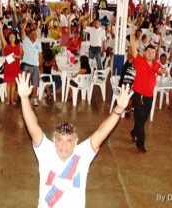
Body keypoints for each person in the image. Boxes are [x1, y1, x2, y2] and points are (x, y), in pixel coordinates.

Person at [16, 72, 132, 208]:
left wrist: (118, 109)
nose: (64, 145)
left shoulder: (82, 154)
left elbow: (101, 133)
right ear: (54, 140)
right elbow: (33, 127)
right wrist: (24, 98)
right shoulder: (46, 151)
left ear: (76, 142)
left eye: (69, 140)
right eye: (60, 140)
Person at [129, 29, 167, 153]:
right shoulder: (139, 61)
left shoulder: (156, 64)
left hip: (149, 97)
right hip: (138, 95)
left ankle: (134, 132)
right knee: (140, 120)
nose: (151, 53)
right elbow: (134, 48)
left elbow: (162, 71)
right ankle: (141, 144)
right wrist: (131, 35)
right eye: (149, 51)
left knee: (142, 119)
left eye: (153, 52)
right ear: (145, 52)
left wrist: (164, 72)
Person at [0, 20, 23, 105]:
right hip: (8, 67)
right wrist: (1, 29)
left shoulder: (19, 45)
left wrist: (16, 57)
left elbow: (21, 56)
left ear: (16, 37)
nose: (12, 38)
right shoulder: (6, 46)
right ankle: (8, 100)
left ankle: (12, 100)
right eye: (10, 37)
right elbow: (1, 37)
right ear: (8, 38)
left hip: (16, 67)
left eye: (13, 37)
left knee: (14, 84)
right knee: (8, 84)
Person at [20, 14, 43, 106]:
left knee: (35, 84)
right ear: (29, 34)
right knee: (25, 83)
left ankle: (34, 99)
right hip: (26, 65)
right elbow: (22, 29)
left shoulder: (38, 42)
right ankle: (24, 99)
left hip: (36, 66)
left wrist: (41, 66)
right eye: (34, 34)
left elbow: (40, 55)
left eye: (36, 34)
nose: (36, 35)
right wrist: (26, 20)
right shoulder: (25, 40)